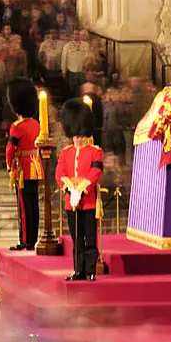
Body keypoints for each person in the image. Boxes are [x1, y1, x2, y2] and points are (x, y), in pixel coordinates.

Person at [56, 98, 104, 282]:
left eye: (80, 134)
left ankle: (90, 270)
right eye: (75, 134)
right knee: (77, 239)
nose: (78, 138)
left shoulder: (95, 151)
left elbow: (96, 171)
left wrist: (82, 189)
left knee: (90, 238)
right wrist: (70, 189)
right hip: (72, 202)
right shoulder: (66, 152)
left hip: (89, 200)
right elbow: (60, 172)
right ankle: (79, 270)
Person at [5, 78, 43, 251]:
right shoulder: (36, 124)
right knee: (33, 205)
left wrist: (9, 166)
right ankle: (33, 239)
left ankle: (26, 241)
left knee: (24, 207)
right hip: (35, 167)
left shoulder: (17, 126)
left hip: (22, 169)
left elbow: (10, 148)